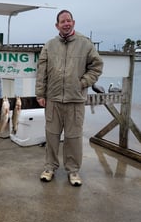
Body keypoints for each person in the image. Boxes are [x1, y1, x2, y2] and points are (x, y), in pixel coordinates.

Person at [35, 10, 103, 186]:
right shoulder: (49, 46)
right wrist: (40, 94)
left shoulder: (85, 44)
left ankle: (73, 171)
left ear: (73, 22)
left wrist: (83, 82)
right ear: (57, 25)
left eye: (68, 20)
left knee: (73, 137)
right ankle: (49, 167)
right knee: (51, 135)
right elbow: (41, 72)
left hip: (76, 100)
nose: (66, 24)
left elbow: (96, 66)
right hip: (53, 100)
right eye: (62, 21)